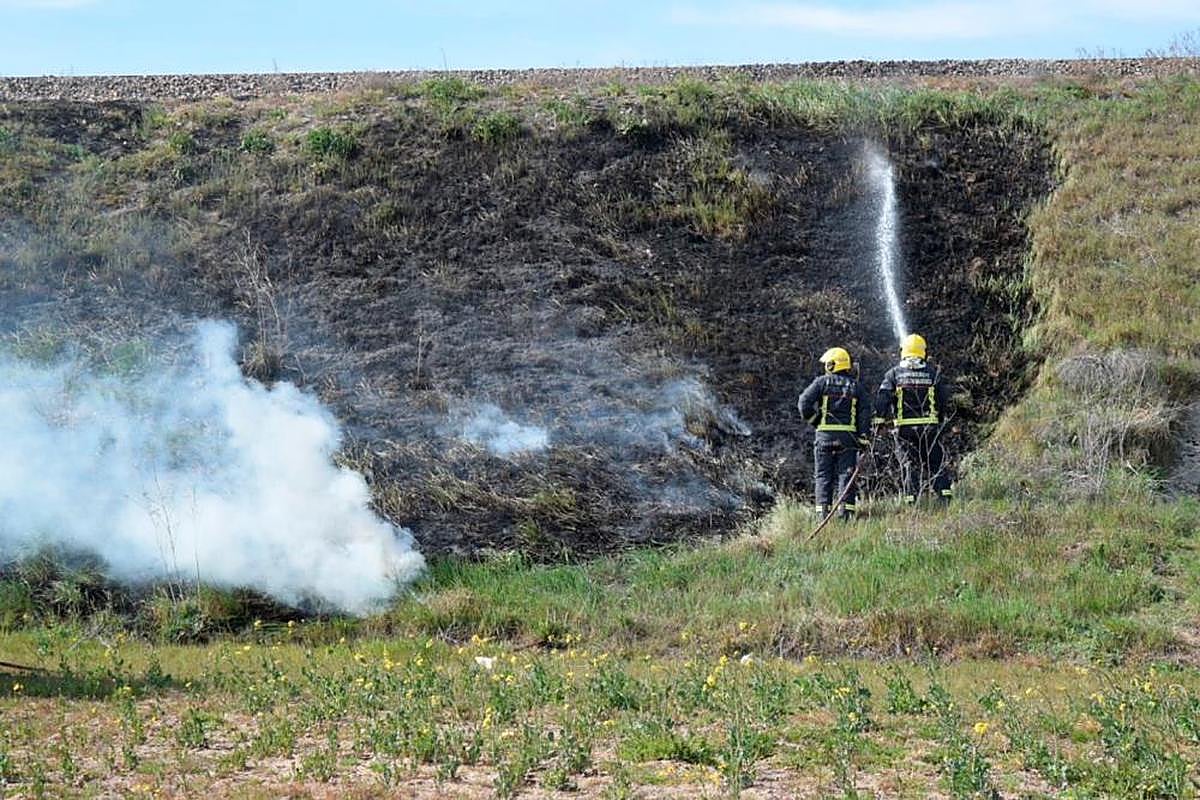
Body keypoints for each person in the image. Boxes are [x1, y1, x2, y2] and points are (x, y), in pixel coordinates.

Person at [873, 333, 953, 505]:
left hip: (904, 430)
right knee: (935, 462)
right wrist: (939, 420)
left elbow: (883, 398)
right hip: (929, 429)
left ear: (903, 352)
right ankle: (944, 496)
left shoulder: (893, 374)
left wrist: (879, 420)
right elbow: (943, 399)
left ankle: (912, 500)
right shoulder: (933, 373)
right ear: (923, 352)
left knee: (909, 464)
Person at [798, 346, 871, 521]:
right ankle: (846, 515)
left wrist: (815, 421)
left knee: (823, 475)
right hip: (848, 439)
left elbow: (803, 403)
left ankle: (822, 515)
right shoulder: (856, 387)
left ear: (832, 365)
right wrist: (863, 438)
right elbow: (864, 412)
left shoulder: (821, 382)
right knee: (846, 474)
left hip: (824, 437)